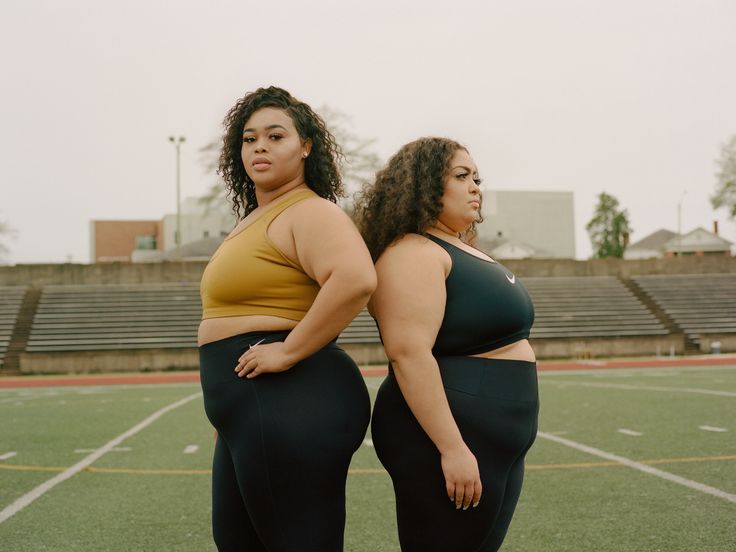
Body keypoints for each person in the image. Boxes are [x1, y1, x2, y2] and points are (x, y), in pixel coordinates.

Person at [198, 86, 375, 552]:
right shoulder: (257, 217)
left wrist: (290, 350)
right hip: (254, 407)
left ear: (305, 146)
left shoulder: (309, 210)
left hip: (293, 398)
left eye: (276, 136)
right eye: (249, 138)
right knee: (238, 542)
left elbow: (356, 279)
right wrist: (229, 406)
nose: (259, 146)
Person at [355, 137, 539, 552]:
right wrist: (453, 448)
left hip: (495, 437)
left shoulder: (460, 247)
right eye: (461, 176)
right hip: (452, 436)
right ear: (424, 185)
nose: (475, 186)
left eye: (477, 177)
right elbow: (408, 353)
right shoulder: (414, 251)